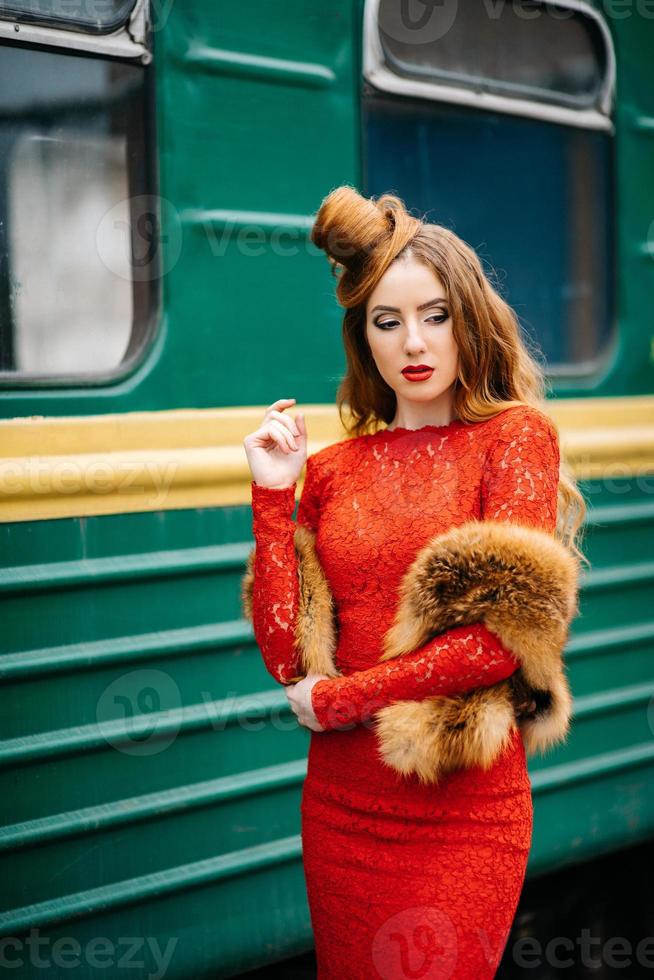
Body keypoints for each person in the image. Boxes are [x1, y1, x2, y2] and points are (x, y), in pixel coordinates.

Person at [242, 186, 586, 979]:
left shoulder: (514, 440)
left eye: (435, 315)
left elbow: (500, 643)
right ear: (364, 339)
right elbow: (288, 656)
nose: (414, 342)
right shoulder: (329, 470)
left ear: (469, 319)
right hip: (340, 808)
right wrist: (271, 492)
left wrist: (344, 700)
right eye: (387, 322)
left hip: (461, 808)